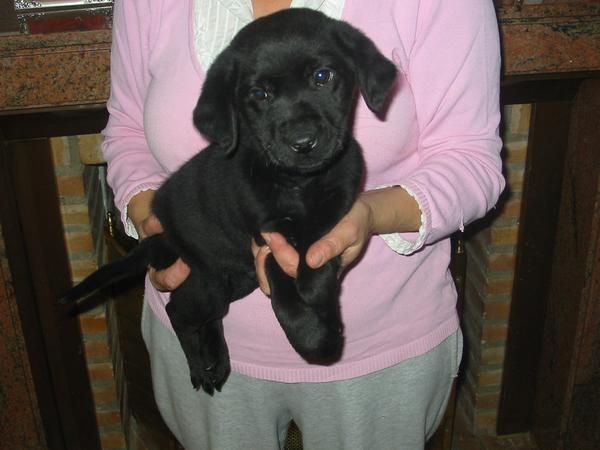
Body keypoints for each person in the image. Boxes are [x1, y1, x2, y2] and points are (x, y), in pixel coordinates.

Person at [101, 0, 505, 448]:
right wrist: (157, 222)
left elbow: (472, 161)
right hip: (203, 331)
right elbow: (127, 131)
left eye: (321, 78)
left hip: (376, 349)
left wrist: (369, 214)